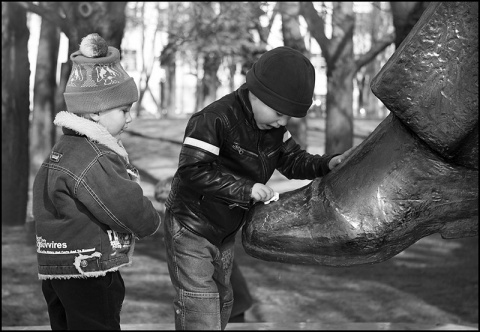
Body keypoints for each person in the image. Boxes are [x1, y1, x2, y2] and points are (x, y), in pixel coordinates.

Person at [163, 46, 353, 330]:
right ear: (256, 93)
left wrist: (328, 164)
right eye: (278, 113)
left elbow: (293, 161)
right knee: (200, 302)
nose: (282, 122)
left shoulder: (273, 127)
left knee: (225, 301)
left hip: (224, 230)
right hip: (190, 224)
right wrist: (246, 189)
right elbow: (192, 171)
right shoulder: (214, 119)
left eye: (289, 117)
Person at [32, 33, 161, 330]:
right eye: (124, 110)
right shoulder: (94, 156)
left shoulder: (62, 150)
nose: (130, 119)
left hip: (55, 265)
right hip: (88, 266)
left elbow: (41, 199)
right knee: (98, 321)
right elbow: (121, 202)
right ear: (95, 112)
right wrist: (151, 221)